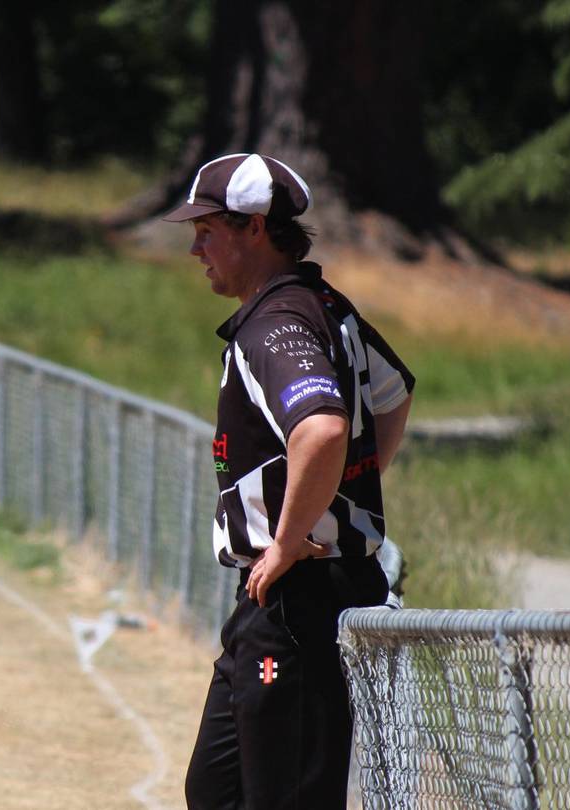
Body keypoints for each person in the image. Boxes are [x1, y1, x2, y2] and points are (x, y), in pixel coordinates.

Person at [166, 153, 415, 809]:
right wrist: (334, 495)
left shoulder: (278, 323)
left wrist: (292, 533)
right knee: (217, 791)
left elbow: (324, 429)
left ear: (254, 228)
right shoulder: (324, 306)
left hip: (302, 594)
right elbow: (393, 394)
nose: (195, 248)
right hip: (279, 596)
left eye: (207, 230)